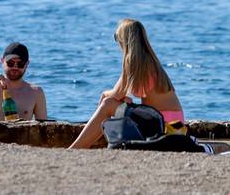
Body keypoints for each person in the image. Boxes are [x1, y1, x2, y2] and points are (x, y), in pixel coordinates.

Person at [69, 18, 184, 149]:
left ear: (124, 40)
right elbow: (125, 95)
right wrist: (123, 99)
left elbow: (115, 94)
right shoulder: (151, 61)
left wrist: (104, 93)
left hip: (161, 126)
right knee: (114, 103)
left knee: (107, 104)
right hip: (175, 125)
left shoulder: (133, 62)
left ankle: (75, 148)